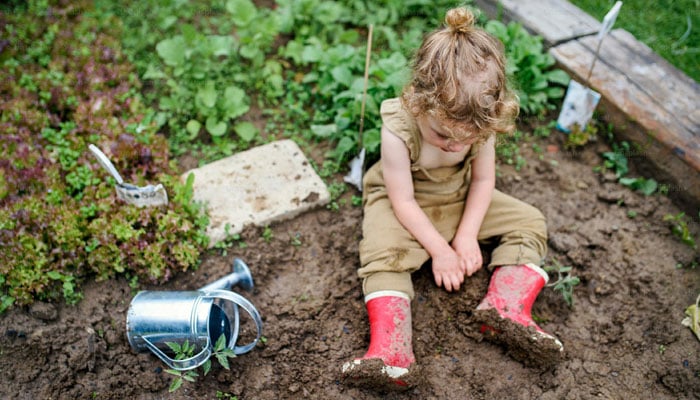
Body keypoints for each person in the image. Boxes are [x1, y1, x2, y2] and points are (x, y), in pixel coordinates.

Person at [341, 7, 564, 390]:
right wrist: (441, 251)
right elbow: (403, 200)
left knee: (528, 220)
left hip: (460, 193)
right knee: (381, 250)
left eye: (466, 138)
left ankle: (505, 309)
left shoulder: (480, 121)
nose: (456, 145)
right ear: (418, 102)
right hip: (405, 203)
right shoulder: (398, 126)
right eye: (444, 135)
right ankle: (391, 353)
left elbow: (483, 182)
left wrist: (464, 236)